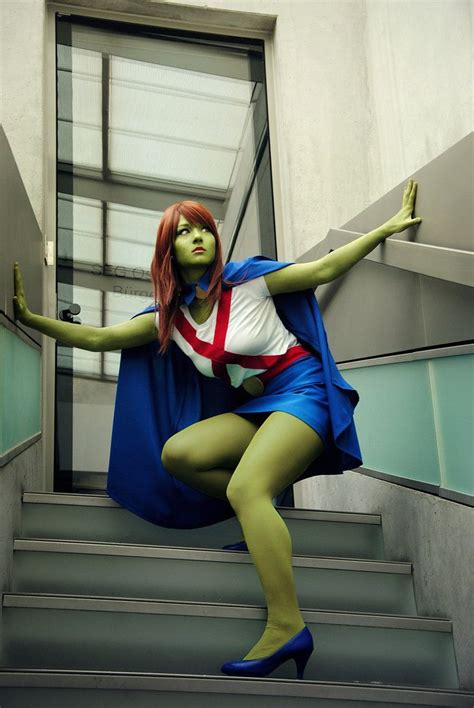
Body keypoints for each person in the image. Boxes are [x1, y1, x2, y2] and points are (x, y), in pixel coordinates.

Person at [13, 179, 421, 680]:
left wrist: (387, 228)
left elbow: (324, 269)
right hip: (264, 407)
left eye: (203, 227)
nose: (198, 237)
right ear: (170, 249)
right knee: (178, 454)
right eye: (184, 232)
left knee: (249, 486)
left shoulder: (249, 280)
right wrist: (32, 318)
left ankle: (287, 623)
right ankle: (258, 520)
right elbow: (100, 336)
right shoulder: (172, 320)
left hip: (306, 392)